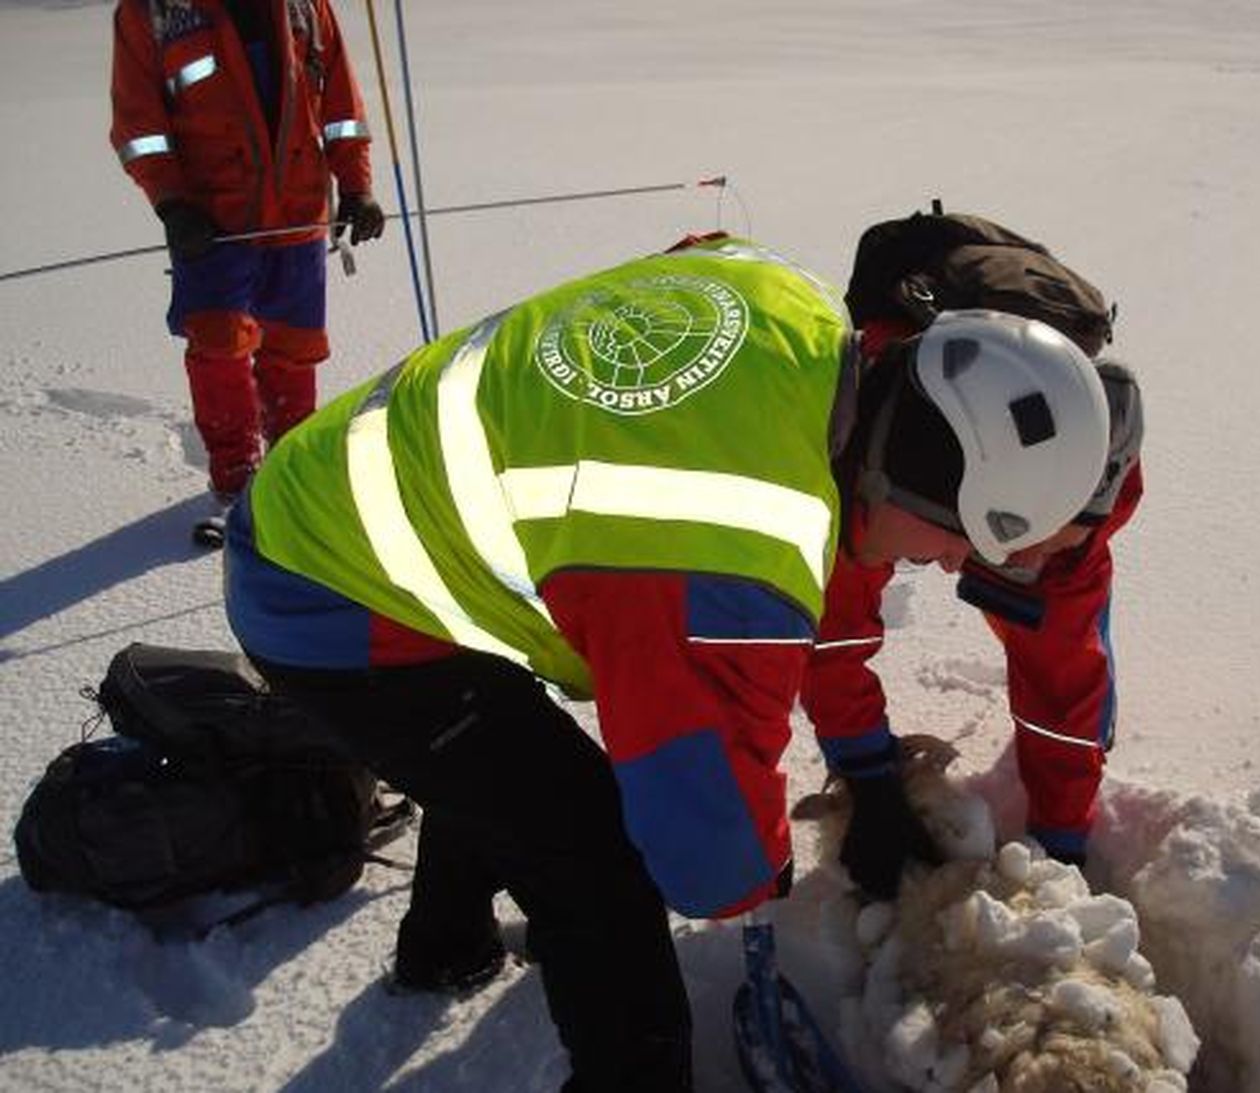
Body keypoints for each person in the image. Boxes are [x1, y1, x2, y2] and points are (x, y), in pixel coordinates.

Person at [220, 231, 1113, 1091]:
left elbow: (701, 252)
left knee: (504, 751)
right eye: (961, 538)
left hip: (339, 492)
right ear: (915, 478)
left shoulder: (788, 301)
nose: (954, 564)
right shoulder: (727, 551)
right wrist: (762, 872)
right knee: (593, 849)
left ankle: (443, 948)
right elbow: (703, 859)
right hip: (331, 598)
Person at [802, 308, 1144, 900]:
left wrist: (1061, 842)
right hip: (929, 464)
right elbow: (832, 630)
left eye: (1048, 545)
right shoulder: (895, 463)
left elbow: (1062, 689)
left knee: (1063, 638)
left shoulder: (1071, 536)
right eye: (1021, 540)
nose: (1028, 558)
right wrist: (867, 774)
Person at [110, 0, 386, 540]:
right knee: (219, 349)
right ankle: (236, 484)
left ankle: (291, 475)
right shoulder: (151, 11)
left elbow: (340, 102)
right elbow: (137, 122)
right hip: (213, 220)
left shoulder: (307, 5)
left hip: (299, 212)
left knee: (295, 347)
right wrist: (172, 204)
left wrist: (356, 185)